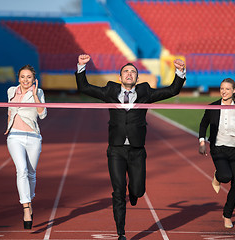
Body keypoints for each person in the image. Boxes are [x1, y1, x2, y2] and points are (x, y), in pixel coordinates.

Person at [75, 54, 186, 240]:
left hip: (137, 151)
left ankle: (134, 194)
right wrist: (81, 66)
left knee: (138, 190)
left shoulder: (145, 92)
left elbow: (172, 90)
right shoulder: (110, 90)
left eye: (133, 72)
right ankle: (121, 233)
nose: (129, 74)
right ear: (120, 77)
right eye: (125, 71)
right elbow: (84, 87)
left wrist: (180, 71)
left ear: (137, 78)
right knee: (118, 191)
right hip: (116, 150)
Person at [198, 78, 235, 229]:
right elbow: (203, 125)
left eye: (227, 89)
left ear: (234, 90)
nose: (223, 91)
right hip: (219, 148)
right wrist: (202, 142)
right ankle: (218, 176)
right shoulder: (213, 107)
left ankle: (227, 215)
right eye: (222, 88)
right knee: (225, 176)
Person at [4, 64, 47, 229]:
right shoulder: (11, 91)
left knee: (31, 174)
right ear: (18, 78)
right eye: (22, 76)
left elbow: (42, 115)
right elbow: (9, 111)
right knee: (21, 170)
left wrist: (35, 96)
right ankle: (26, 207)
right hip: (15, 136)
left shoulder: (39, 92)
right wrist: (8, 127)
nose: (25, 80)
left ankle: (29, 199)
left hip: (34, 137)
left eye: (29, 77)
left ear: (34, 79)